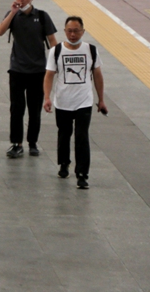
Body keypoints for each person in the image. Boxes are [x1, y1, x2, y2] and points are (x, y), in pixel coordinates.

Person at [0, 0, 58, 159]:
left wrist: (55, 65)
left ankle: (32, 142)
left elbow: (53, 41)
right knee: (16, 108)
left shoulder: (42, 16)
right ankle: (16, 143)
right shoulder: (13, 14)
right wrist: (12, 13)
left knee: (34, 108)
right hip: (17, 70)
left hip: (38, 71)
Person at [43, 16, 107, 189]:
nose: (72, 34)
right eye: (69, 31)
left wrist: (101, 99)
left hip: (84, 101)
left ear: (83, 31)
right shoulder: (56, 51)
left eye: (76, 31)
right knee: (64, 134)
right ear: (65, 31)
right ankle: (64, 164)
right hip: (63, 101)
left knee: (82, 136)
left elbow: (98, 75)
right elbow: (49, 75)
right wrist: (47, 97)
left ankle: (82, 174)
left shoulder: (91, 50)